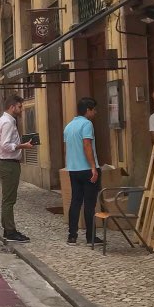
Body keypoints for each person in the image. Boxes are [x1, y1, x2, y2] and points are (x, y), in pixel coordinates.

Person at [0, 94, 33, 242]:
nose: (21, 109)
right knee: (9, 200)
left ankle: (8, 230)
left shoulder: (3, 120)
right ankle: (10, 231)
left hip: (6, 162)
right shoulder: (7, 122)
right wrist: (22, 146)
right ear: (12, 107)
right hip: (9, 164)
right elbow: (7, 145)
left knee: (7, 199)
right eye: (20, 107)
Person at [63, 97, 100, 246]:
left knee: (75, 201)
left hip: (73, 169)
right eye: (94, 110)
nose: (95, 113)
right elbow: (86, 145)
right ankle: (91, 237)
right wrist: (93, 167)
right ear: (88, 110)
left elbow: (68, 148)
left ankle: (72, 236)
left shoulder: (69, 126)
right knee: (90, 203)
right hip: (86, 168)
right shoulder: (87, 124)